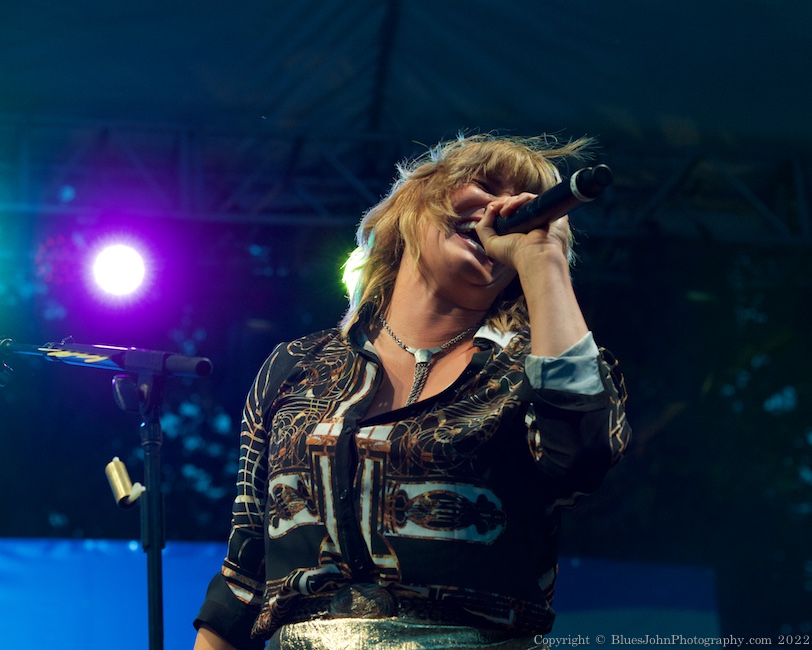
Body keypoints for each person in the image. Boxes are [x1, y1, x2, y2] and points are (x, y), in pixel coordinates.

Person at [193, 133, 631, 649]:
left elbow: (582, 459)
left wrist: (544, 259)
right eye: (485, 185)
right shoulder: (298, 366)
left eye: (527, 205)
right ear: (415, 200)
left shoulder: (529, 370)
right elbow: (245, 574)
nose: (503, 208)